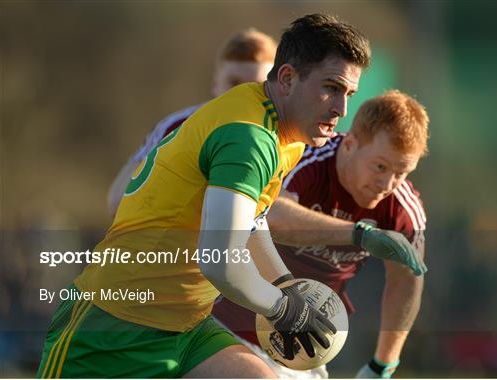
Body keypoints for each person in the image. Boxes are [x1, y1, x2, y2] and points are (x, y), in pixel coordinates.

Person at [36, 13, 419, 378]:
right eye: (331, 88)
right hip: (113, 326)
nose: (342, 108)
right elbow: (219, 261)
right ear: (286, 78)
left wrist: (284, 284)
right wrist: (283, 308)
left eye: (350, 92)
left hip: (188, 328)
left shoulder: (286, 133)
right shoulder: (248, 136)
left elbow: (252, 222)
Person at [212, 90, 430, 378]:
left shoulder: (403, 209)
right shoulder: (306, 156)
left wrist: (382, 365)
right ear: (350, 143)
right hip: (226, 323)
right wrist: (358, 234)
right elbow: (269, 215)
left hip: (303, 348)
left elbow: (406, 283)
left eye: (401, 172)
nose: (387, 183)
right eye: (380, 166)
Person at [107, 28, 277, 216]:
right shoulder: (176, 125)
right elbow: (118, 200)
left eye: (254, 86)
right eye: (234, 83)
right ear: (215, 84)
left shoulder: (287, 138)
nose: (242, 94)